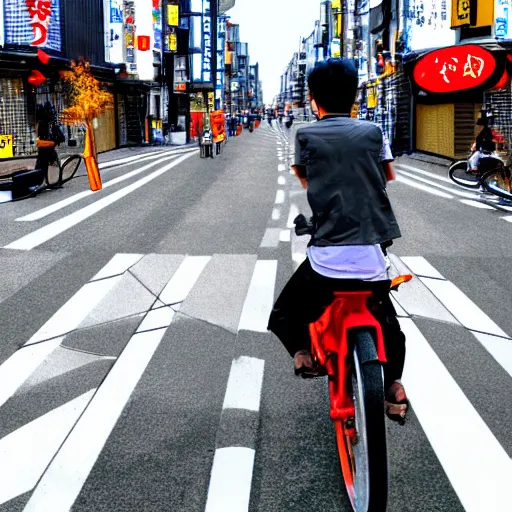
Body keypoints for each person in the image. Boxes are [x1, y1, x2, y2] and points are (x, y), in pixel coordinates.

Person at [268, 58, 408, 422]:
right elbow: (386, 176)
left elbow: (307, 180)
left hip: (327, 259)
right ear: (356, 95)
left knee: (284, 312)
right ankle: (393, 383)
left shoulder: (306, 135)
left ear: (313, 99)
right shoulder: (374, 132)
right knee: (389, 322)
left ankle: (303, 354)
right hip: (372, 258)